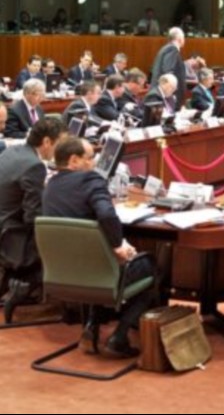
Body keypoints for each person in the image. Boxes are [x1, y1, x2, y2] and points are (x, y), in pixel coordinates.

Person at [42, 137, 156, 357]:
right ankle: (119, 337)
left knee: (95, 262)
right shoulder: (91, 180)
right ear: (74, 160)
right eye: (90, 157)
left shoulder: (50, 187)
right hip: (97, 273)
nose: (94, 162)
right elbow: (106, 214)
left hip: (61, 274)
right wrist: (117, 245)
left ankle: (91, 327)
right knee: (150, 266)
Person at [0, 118, 66, 322]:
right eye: (59, 143)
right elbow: (32, 217)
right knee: (68, 240)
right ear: (46, 142)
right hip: (12, 236)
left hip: (4, 224)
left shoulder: (13, 151)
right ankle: (24, 287)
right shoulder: (34, 166)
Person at [151, 27, 186, 108]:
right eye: (184, 38)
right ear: (180, 39)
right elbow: (168, 72)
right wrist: (171, 94)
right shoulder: (172, 49)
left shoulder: (165, 48)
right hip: (167, 94)